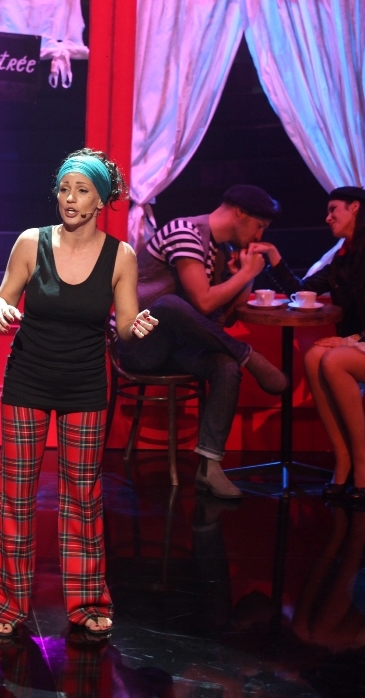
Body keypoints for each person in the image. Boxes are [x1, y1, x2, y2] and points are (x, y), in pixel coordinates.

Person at [0, 148, 158, 640]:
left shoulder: (120, 256)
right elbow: (2, 295)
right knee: (16, 495)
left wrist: (137, 327)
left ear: (101, 200)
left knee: (82, 497)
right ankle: (6, 602)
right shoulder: (30, 242)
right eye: (64, 189)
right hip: (28, 378)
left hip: (84, 383)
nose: (70, 199)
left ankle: (87, 602)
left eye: (82, 191)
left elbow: (125, 325)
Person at [118, 185, 288, 501]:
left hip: (175, 347)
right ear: (240, 213)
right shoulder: (186, 232)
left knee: (226, 365)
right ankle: (248, 355)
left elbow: (219, 323)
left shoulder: (216, 252)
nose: (259, 235)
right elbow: (203, 301)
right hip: (137, 343)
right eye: (259, 225)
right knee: (168, 305)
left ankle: (210, 466)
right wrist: (243, 276)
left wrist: (244, 276)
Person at [262, 186, 365, 502]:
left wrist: (357, 341)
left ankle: (364, 458)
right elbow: (302, 291)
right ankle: (343, 457)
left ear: (355, 208)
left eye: (333, 209)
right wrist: (274, 257)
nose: (328, 217)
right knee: (314, 356)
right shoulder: (344, 257)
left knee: (334, 359)